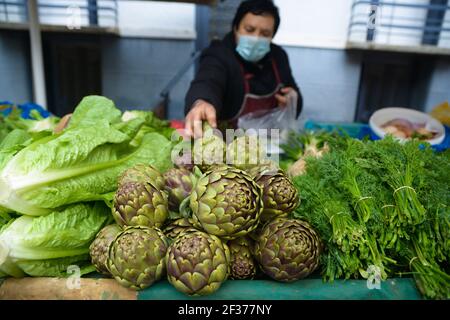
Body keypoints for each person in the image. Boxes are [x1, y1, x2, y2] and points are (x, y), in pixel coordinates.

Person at [184, 0, 303, 137]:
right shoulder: (219, 54)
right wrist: (201, 101)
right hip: (226, 145)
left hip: (268, 145)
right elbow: (207, 81)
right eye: (249, 30)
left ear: (272, 36)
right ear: (236, 28)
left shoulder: (279, 57)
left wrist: (293, 101)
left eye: (265, 33)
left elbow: (293, 91)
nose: (256, 38)